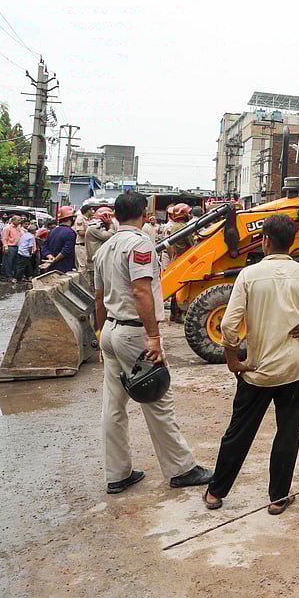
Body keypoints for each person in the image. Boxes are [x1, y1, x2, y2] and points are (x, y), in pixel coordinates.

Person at [204, 214, 299, 514]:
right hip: (294, 368)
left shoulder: (249, 276)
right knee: (287, 432)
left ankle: (216, 493)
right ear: (292, 242)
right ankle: (278, 497)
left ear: (265, 240)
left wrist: (234, 360)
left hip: (257, 370)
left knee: (239, 431)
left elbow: (230, 326)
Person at [93, 191, 213, 495]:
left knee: (114, 405)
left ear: (117, 215)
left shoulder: (106, 248)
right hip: (134, 334)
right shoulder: (139, 244)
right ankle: (181, 469)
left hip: (110, 330)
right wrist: (155, 338)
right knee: (158, 402)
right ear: (145, 215)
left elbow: (98, 298)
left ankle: (117, 473)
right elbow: (142, 292)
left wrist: (99, 336)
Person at [41, 206, 79, 274]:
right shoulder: (70, 233)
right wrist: (55, 260)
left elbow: (44, 247)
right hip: (64, 267)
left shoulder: (52, 231)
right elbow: (66, 250)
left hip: (51, 267)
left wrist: (50, 257)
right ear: (71, 219)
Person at [1, 216, 22, 280]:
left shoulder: (18, 228)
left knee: (16, 262)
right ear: (13, 221)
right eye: (18, 220)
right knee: (8, 262)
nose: (19, 222)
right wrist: (5, 246)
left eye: (20, 220)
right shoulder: (7, 228)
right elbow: (4, 238)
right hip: (10, 246)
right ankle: (8, 276)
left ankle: (14, 275)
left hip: (17, 246)